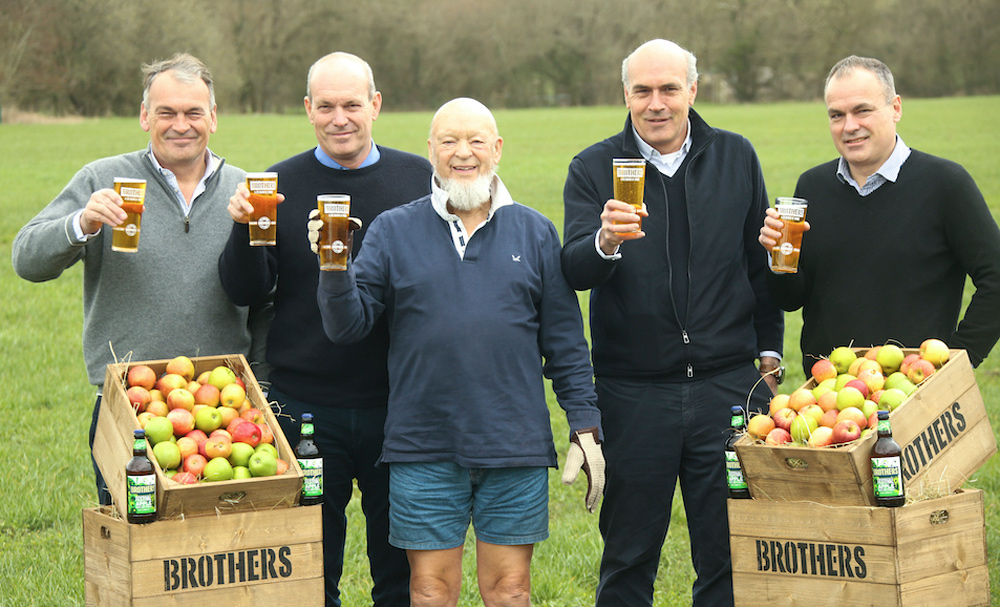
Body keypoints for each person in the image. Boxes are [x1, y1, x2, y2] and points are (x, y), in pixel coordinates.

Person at [315, 97, 605, 607]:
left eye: (475, 141)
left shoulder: (534, 231)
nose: (462, 153)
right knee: (429, 592)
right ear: (430, 150)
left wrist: (584, 424)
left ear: (497, 149)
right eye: (448, 141)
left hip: (512, 444)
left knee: (511, 591)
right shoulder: (391, 229)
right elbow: (348, 327)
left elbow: (564, 341)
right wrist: (333, 269)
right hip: (423, 443)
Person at [560, 39, 784, 607]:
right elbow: (575, 270)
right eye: (642, 91)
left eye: (668, 89)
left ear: (693, 90)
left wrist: (771, 352)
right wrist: (604, 240)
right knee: (629, 558)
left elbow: (759, 263)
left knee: (731, 552)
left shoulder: (735, 155)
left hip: (728, 387)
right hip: (633, 392)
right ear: (626, 95)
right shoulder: (593, 167)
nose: (655, 103)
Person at [218, 52, 431, 607]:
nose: (341, 118)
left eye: (353, 105)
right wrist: (243, 231)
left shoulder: (419, 180)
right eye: (328, 106)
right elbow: (244, 290)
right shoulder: (276, 184)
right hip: (306, 406)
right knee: (309, 568)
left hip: (399, 407)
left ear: (376, 106)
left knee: (401, 571)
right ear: (308, 109)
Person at [10, 53, 269, 506]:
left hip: (224, 412)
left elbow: (267, 301)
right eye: (166, 112)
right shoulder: (103, 180)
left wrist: (259, 394)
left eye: (193, 112)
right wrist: (81, 224)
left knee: (220, 557)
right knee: (136, 551)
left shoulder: (246, 191)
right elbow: (26, 260)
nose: (180, 124)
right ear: (145, 116)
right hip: (129, 402)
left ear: (213, 117)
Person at [759, 55, 1000, 377]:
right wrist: (778, 256)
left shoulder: (945, 183)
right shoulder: (812, 186)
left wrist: (962, 358)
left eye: (862, 110)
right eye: (836, 115)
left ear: (896, 108)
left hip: (917, 389)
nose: (849, 126)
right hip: (828, 394)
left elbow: (996, 275)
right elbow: (790, 300)